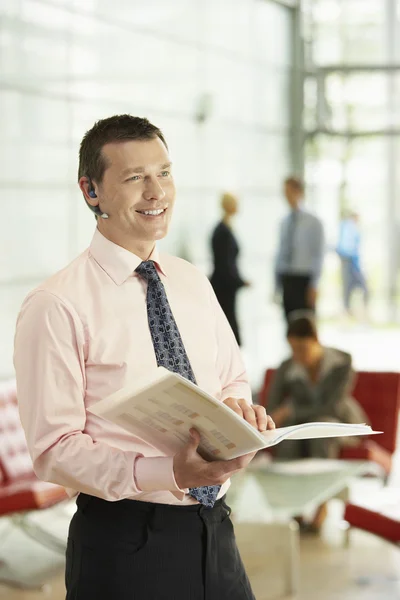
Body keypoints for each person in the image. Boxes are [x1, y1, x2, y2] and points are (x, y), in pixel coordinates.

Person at [14, 114, 275, 600]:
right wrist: (169, 474)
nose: (157, 192)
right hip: (123, 543)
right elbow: (54, 450)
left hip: (215, 531)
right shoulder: (56, 305)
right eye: (135, 178)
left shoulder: (193, 281)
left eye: (165, 173)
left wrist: (241, 412)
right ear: (91, 192)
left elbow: (232, 379)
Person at [267, 314, 367, 461]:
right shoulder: (287, 366)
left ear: (316, 340)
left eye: (302, 349)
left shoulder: (342, 362)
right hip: (303, 426)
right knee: (288, 436)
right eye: (292, 349)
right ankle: (288, 482)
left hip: (340, 422)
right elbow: (273, 409)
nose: (297, 356)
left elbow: (332, 407)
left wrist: (292, 411)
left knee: (323, 432)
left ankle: (325, 482)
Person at [274, 177, 325, 322]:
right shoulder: (284, 222)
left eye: (289, 192)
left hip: (304, 279)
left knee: (305, 326)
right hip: (287, 278)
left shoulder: (314, 222)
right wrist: (277, 285)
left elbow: (318, 254)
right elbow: (280, 253)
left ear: (299, 192)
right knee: (289, 326)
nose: (286, 196)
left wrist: (314, 284)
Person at [210, 192, 249, 346]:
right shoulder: (222, 232)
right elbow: (224, 263)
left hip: (226, 284)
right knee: (227, 324)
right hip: (223, 286)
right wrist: (238, 281)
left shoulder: (225, 229)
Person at [336, 211, 369, 319]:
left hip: (350, 262)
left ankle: (351, 312)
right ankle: (349, 313)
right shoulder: (348, 227)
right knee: (355, 288)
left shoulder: (347, 227)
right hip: (349, 262)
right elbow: (346, 248)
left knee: (349, 290)